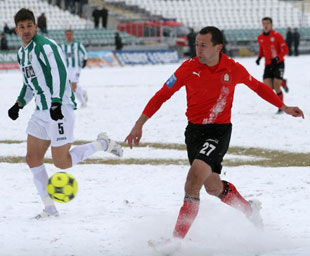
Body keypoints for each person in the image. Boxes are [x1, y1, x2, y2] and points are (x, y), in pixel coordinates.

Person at [125, 26, 304, 244]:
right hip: (194, 132)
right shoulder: (187, 68)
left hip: (219, 131)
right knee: (212, 187)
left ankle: (174, 242)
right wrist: (139, 124)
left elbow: (258, 87)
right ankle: (249, 209)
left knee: (193, 181)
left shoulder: (233, 69)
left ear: (218, 47)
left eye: (203, 45)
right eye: (196, 45)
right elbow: (162, 95)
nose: (198, 49)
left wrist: (283, 106)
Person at [8, 8, 123, 219]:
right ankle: (49, 208)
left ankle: (103, 144)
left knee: (62, 163)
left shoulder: (46, 47)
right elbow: (29, 83)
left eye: (29, 26)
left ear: (36, 26)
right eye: (21, 27)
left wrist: (57, 102)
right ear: (16, 29)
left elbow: (60, 73)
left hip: (60, 109)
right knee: (32, 158)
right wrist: (19, 103)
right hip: (41, 111)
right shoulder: (21, 53)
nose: (26, 30)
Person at [256, 17, 289, 114]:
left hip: (278, 63)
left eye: (267, 23)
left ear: (271, 25)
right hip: (268, 64)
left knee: (276, 86)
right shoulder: (260, 37)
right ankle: (283, 82)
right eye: (264, 23)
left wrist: (278, 58)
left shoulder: (277, 35)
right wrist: (259, 57)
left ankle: (281, 107)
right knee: (268, 88)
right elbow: (262, 49)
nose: (265, 25)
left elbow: (285, 50)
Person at [61, 29, 88, 107]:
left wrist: (85, 61)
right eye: (67, 34)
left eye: (70, 34)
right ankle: (83, 91)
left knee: (73, 86)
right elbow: (61, 56)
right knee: (70, 85)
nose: (69, 36)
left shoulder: (78, 44)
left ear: (72, 35)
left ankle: (83, 103)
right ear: (65, 36)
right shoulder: (63, 46)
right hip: (67, 68)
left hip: (76, 67)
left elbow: (85, 53)